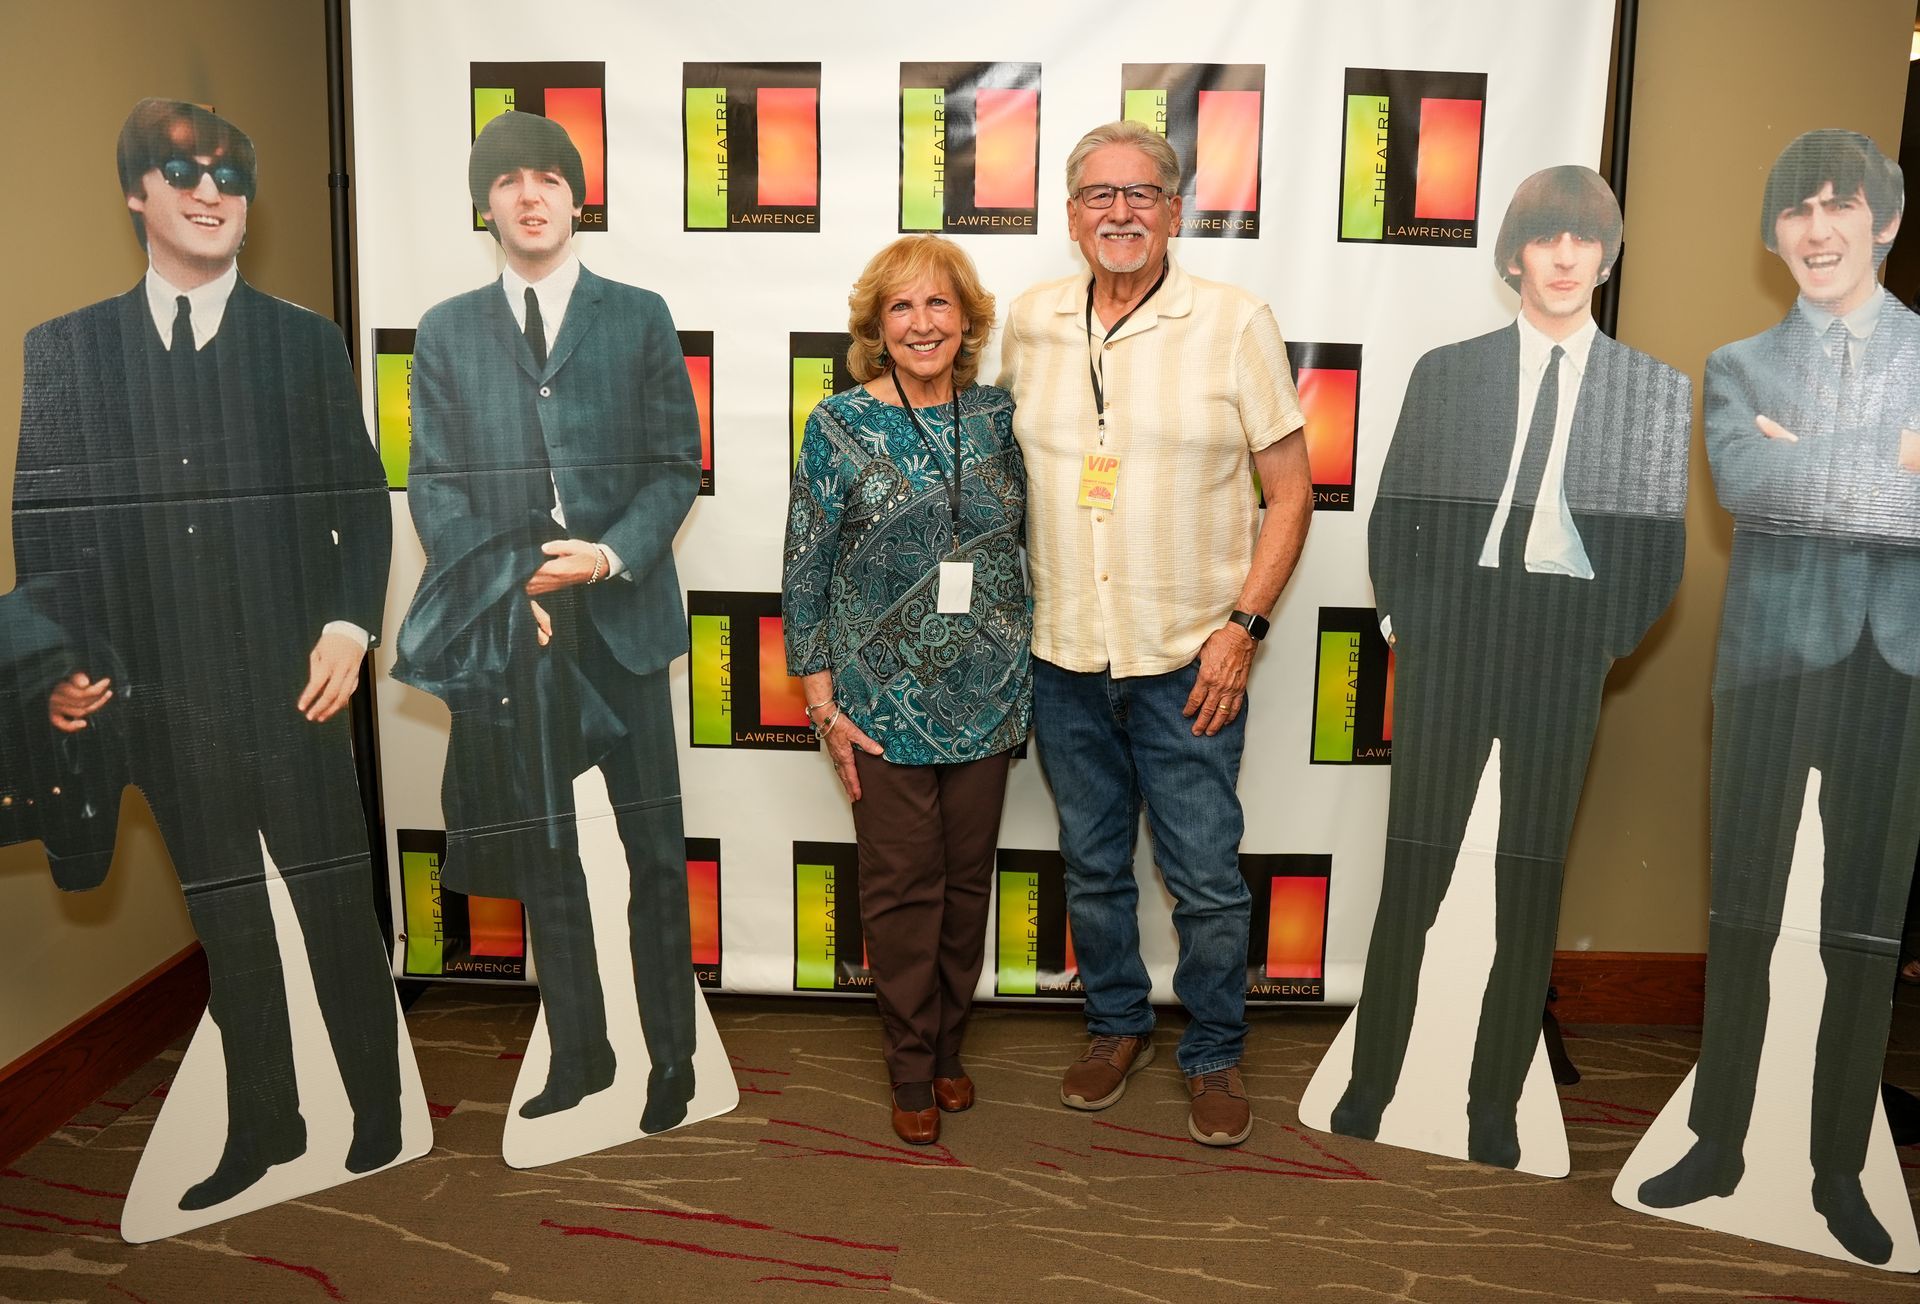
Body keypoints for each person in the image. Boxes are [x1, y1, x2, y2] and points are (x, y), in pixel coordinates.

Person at [10, 99, 401, 1210]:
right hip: (160, 700)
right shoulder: (69, 351)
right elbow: (44, 531)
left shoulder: (301, 341)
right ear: (138, 191)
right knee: (229, 921)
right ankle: (265, 1124)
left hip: (297, 691)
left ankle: (379, 1109)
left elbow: (359, 504)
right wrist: (63, 662)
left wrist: (347, 622)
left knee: (332, 903)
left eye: (231, 174)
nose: (211, 190)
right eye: (182, 171)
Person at [1328, 166, 1691, 1167]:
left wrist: (1602, 638)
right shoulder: (1450, 372)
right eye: (1547, 237)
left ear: (1607, 258)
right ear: (1515, 256)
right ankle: (1372, 1080)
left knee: (1528, 879)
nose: (1567, 257)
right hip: (1454, 631)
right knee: (1419, 867)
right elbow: (1396, 504)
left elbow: (1661, 548)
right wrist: (1407, 615)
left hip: (1563, 640)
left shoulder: (1651, 391)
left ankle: (1495, 1102)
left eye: (1585, 240)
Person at [998, 120, 1313, 1147]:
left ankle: (1215, 1051)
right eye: (1099, 194)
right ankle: (1115, 1025)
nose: (1120, 212)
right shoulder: (1032, 321)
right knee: (1090, 865)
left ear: (1177, 210)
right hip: (1063, 656)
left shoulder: (1232, 321)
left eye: (1142, 194)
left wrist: (1243, 631)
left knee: (1208, 877)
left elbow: (1292, 491)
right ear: (1071, 213)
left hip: (1190, 657)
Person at [1636, 130, 1920, 1265]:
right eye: (1794, 210)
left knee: (1864, 927)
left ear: (1884, 221)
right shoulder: (1740, 367)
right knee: (1743, 916)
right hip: (1765, 664)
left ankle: (1840, 1165)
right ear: (1773, 233)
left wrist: (1815, 463)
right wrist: (1890, 463)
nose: (1815, 228)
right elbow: (1751, 484)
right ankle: (1719, 1140)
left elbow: (1825, 491)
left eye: (1838, 205)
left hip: (1898, 668)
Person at [392, 111, 702, 1134]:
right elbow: (434, 483)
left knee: (656, 852)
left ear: (577, 198)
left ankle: (672, 1059)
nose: (530, 195)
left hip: (623, 618)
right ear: (486, 204)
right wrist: (506, 584)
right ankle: (582, 1052)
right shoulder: (444, 330)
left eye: (548, 178)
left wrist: (608, 554)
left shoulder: (641, 314)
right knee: (552, 854)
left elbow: (673, 468)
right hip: (519, 630)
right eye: (508, 180)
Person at [783, 235, 1030, 1146]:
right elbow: (806, 568)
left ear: (965, 320)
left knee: (967, 888)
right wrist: (821, 701)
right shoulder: (838, 424)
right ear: (876, 328)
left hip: (991, 693)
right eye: (902, 308)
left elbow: (1030, 544)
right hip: (877, 705)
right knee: (900, 889)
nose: (922, 323)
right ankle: (910, 1064)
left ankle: (951, 1047)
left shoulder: (1001, 417)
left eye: (938, 305)